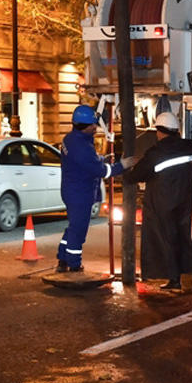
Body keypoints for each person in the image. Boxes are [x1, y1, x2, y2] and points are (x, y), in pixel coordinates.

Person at [121, 111, 192, 292]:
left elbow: (136, 176)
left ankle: (174, 280)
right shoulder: (189, 146)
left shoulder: (155, 153)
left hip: (163, 203)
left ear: (159, 131)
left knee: (167, 240)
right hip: (187, 203)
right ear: (176, 130)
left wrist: (123, 171)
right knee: (190, 237)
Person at [57, 105, 138, 273]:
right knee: (78, 230)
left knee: (73, 227)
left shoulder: (71, 139)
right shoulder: (82, 148)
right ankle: (73, 264)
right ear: (83, 126)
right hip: (80, 193)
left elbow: (87, 161)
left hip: (71, 190)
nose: (95, 128)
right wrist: (121, 166)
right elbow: (102, 171)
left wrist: (101, 158)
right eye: (92, 125)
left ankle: (62, 259)